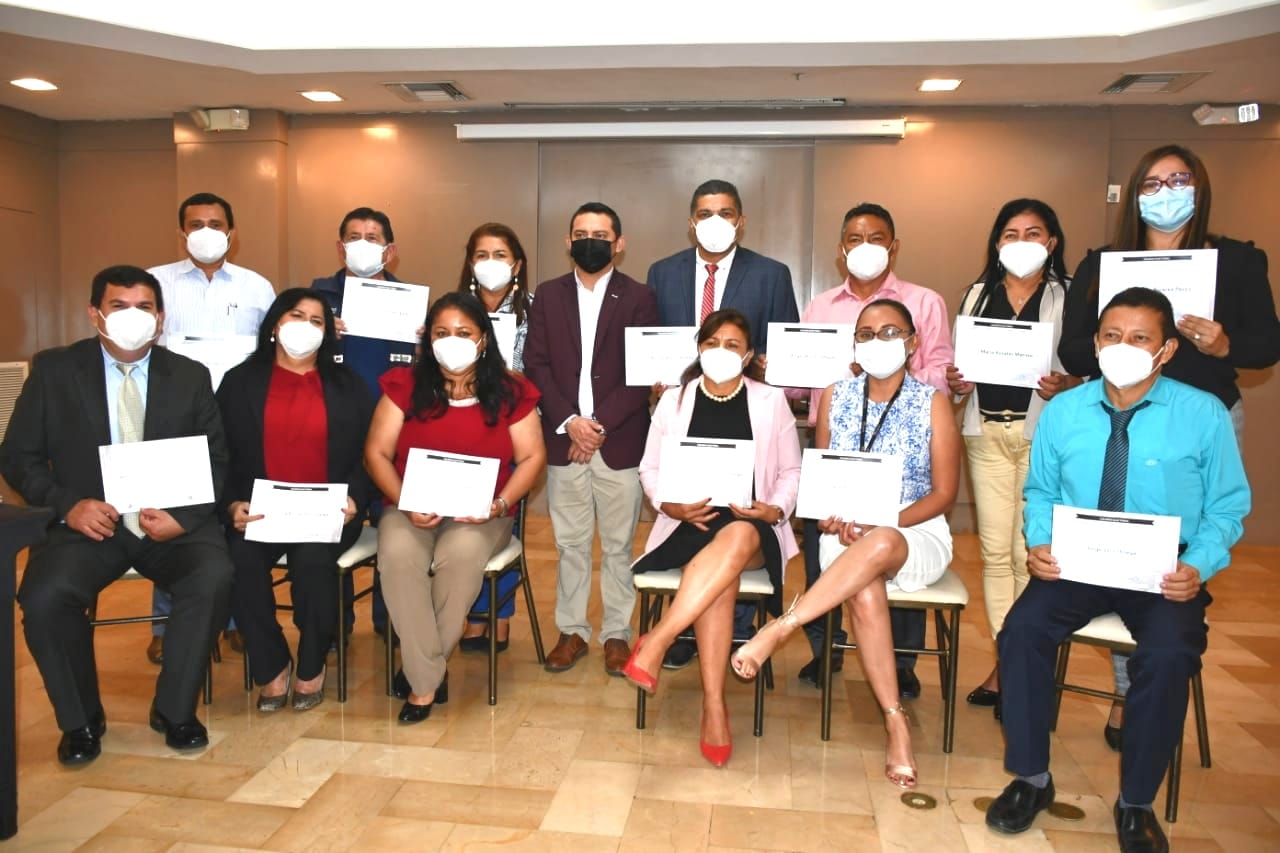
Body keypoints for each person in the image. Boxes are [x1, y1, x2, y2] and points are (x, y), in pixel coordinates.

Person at [986, 287, 1249, 853]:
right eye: (1111, 336)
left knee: (1169, 654)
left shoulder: (1202, 413)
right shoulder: (1064, 411)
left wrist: (1197, 566)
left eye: (1139, 338)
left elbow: (1228, 508)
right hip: (1077, 562)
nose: (1122, 347)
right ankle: (1031, 777)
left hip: (1164, 571)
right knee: (1021, 632)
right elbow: (1041, 491)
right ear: (1096, 342)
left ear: (1166, 350)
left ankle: (1136, 802)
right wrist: (1040, 543)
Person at [1056, 144, 1279, 749]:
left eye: (1179, 180)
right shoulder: (1103, 264)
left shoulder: (1236, 260)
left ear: (1200, 188)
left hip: (1200, 421)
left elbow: (1266, 345)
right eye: (1152, 184)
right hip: (1116, 420)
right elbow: (1072, 350)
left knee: (1174, 566)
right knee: (1119, 552)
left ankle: (1155, 688)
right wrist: (1114, 346)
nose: (1166, 192)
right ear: (1134, 196)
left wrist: (1223, 343)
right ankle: (1129, 697)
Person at [1, 265, 234, 763]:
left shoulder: (189, 376)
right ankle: (81, 721)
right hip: (87, 526)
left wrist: (184, 516)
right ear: (95, 314)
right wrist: (67, 505)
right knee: (44, 597)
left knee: (213, 575)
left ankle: (174, 710)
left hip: (170, 523)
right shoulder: (55, 371)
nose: (133, 316)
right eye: (118, 306)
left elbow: (216, 460)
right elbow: (18, 457)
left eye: (144, 307)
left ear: (161, 318)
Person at [732, 298, 961, 790]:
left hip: (915, 530)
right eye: (866, 334)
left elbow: (945, 494)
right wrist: (829, 517)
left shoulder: (933, 402)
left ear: (913, 342)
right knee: (864, 588)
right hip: (846, 534)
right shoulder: (836, 396)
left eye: (890, 332)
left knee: (881, 543)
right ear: (854, 345)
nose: (878, 342)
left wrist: (883, 521)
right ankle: (895, 721)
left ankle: (783, 626)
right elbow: (821, 483)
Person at [623, 309, 801, 766]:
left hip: (752, 525)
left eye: (732, 345)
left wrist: (775, 509)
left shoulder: (770, 400)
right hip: (690, 524)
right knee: (722, 579)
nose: (720, 351)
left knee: (737, 536)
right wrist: (669, 505)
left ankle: (659, 639)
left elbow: (791, 470)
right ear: (699, 348)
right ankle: (714, 706)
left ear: (749, 355)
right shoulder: (674, 400)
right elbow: (649, 468)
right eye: (712, 343)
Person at [791, 203, 953, 696]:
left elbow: (942, 369)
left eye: (876, 238)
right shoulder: (821, 308)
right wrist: (780, 371)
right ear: (841, 249)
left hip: (908, 502)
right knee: (830, 538)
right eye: (866, 336)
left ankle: (900, 663)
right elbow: (801, 382)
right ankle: (825, 649)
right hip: (840, 463)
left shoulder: (924, 301)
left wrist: (897, 380)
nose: (865, 248)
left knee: (880, 548)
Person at [364, 292, 545, 723]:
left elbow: (532, 458)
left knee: (459, 557)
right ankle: (428, 673)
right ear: (428, 339)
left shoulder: (512, 391)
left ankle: (420, 680)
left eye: (464, 333)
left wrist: (499, 504)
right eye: (442, 333)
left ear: (483, 339)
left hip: (481, 513)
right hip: (409, 507)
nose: (453, 341)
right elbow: (376, 453)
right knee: (398, 557)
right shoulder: (404, 385)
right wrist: (405, 503)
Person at [647, 179, 801, 671]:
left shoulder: (772, 274)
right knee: (719, 544)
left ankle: (683, 633)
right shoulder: (662, 273)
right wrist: (658, 380)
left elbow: (788, 355)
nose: (715, 221)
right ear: (691, 221)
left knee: (733, 537)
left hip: (747, 438)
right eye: (705, 213)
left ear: (741, 220)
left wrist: (771, 370)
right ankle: (697, 644)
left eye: (726, 212)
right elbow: (654, 345)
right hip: (691, 456)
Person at [946, 199, 1080, 720]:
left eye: (1033, 233)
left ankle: (1025, 667)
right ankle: (1009, 663)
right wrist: (958, 382)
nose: (1021, 242)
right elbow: (961, 370)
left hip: (1043, 436)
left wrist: (1068, 383)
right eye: (1010, 233)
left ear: (1052, 242)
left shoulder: (1071, 295)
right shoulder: (976, 294)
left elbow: (1093, 369)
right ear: (997, 242)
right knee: (995, 553)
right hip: (986, 433)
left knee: (1032, 551)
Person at [216, 289, 376, 712]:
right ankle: (271, 665)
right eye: (295, 315)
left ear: (327, 334)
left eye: (317, 320)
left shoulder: (349, 385)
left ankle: (311, 663)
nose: (305, 326)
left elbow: (371, 453)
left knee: (312, 564)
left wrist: (356, 499)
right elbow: (219, 454)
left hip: (328, 511)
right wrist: (231, 505)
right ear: (275, 323)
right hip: (260, 511)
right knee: (237, 563)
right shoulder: (239, 382)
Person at [523, 202, 660, 675]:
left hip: (618, 441)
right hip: (565, 440)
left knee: (619, 546)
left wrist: (596, 425)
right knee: (570, 544)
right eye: (581, 233)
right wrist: (570, 422)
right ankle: (572, 631)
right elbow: (536, 364)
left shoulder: (640, 297)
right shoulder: (547, 294)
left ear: (619, 244)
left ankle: (617, 634)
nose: (590, 241)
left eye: (600, 235)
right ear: (568, 242)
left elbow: (643, 372)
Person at [146, 191, 275, 663]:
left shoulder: (257, 287)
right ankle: (167, 624)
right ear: (181, 232)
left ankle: (237, 619)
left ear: (231, 233)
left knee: (234, 513)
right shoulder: (155, 283)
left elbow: (270, 351)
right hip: (175, 418)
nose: (206, 232)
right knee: (173, 515)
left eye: (215, 224)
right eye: (196, 224)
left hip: (239, 417)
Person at [311, 206, 414, 639]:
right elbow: (286, 353)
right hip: (335, 437)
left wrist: (427, 342)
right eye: (354, 237)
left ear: (390, 250)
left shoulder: (409, 301)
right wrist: (317, 333)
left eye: (373, 238)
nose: (362, 245)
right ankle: (336, 623)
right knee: (336, 525)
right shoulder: (315, 298)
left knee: (395, 530)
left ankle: (390, 620)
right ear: (340, 247)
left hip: (395, 437)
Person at [453, 223, 534, 654]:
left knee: (502, 523)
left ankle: (498, 616)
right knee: (463, 521)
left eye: (500, 255)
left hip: (514, 432)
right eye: (481, 255)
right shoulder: (452, 311)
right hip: (462, 432)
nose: (490, 263)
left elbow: (545, 371)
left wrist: (507, 377)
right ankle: (470, 615)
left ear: (516, 264)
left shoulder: (536, 310)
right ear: (470, 262)